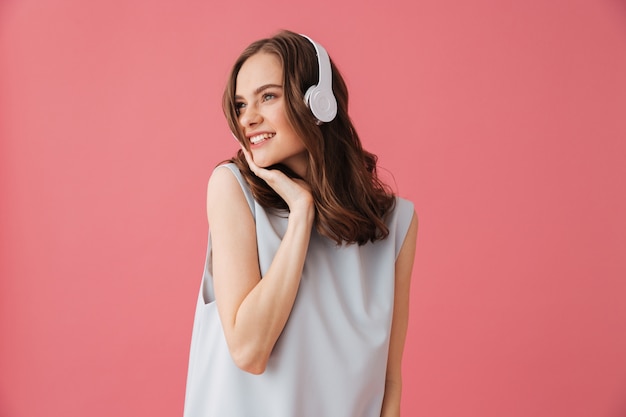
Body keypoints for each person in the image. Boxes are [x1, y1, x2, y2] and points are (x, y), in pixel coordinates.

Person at [183, 30, 418, 417]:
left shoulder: (396, 224)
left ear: (319, 103)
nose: (249, 118)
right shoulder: (231, 189)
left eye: (268, 96)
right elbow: (249, 350)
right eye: (241, 105)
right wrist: (301, 213)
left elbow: (389, 382)